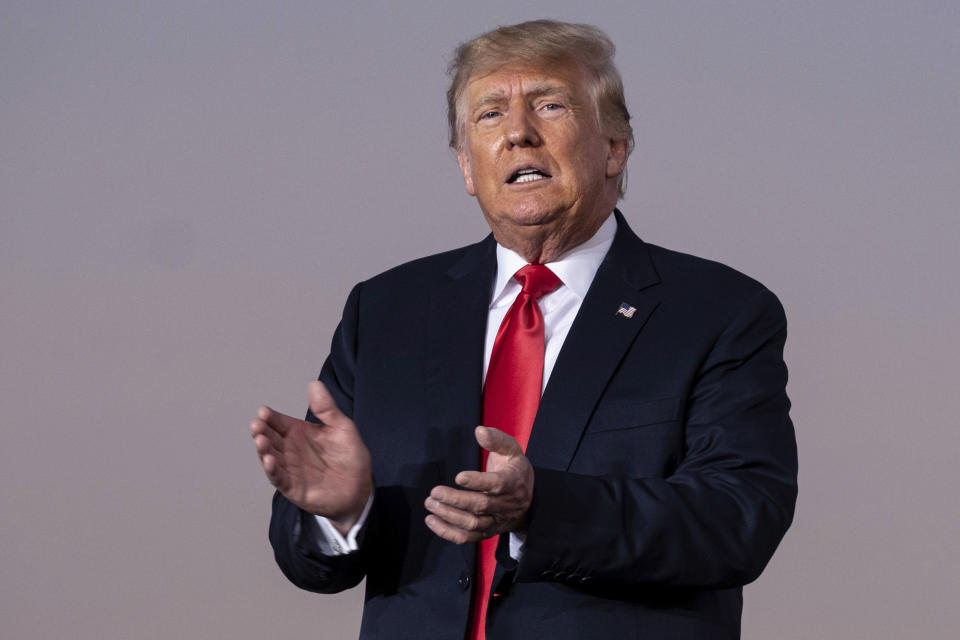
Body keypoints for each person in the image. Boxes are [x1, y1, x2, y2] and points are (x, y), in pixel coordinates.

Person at [250, 19, 797, 640]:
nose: (517, 133)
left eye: (550, 104)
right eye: (489, 114)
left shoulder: (718, 311)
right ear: (466, 166)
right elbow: (307, 563)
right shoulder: (385, 311)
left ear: (615, 146)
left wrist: (542, 509)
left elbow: (739, 519)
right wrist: (342, 514)